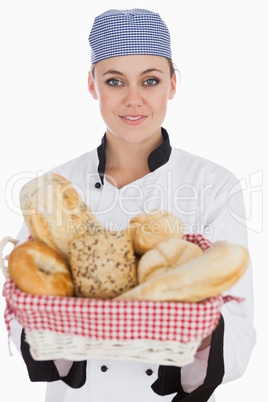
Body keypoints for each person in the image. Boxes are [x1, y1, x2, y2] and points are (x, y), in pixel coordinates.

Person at [10, 8, 256, 402]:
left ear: (173, 85)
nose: (133, 99)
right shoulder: (55, 188)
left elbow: (241, 329)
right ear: (92, 86)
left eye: (150, 80)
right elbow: (24, 310)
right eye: (114, 81)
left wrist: (194, 317)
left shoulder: (213, 185)